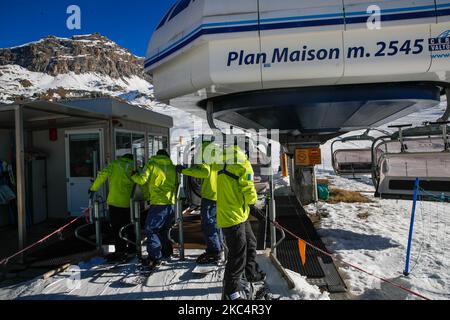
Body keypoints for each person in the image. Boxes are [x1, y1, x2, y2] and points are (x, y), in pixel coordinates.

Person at [212, 145, 266, 300]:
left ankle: (251, 272)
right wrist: (253, 204)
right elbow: (248, 188)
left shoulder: (221, 162)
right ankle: (231, 291)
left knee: (251, 242)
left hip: (234, 213)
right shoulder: (242, 163)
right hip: (234, 216)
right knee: (237, 255)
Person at [177, 142, 222, 265]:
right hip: (221, 193)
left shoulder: (204, 154)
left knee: (208, 224)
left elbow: (204, 173)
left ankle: (214, 251)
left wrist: (184, 170)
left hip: (210, 194)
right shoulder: (219, 152)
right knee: (216, 224)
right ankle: (219, 247)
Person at [132, 150, 177, 270]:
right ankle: (167, 252)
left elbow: (141, 180)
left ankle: (154, 256)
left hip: (158, 203)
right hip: (171, 203)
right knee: (163, 230)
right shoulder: (172, 166)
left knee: (150, 229)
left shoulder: (151, 165)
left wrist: (134, 175)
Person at [89, 154, 135, 262]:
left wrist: (93, 188)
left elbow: (102, 175)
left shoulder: (114, 164)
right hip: (129, 202)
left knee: (117, 228)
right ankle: (133, 248)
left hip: (114, 202)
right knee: (130, 226)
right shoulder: (134, 166)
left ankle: (120, 250)